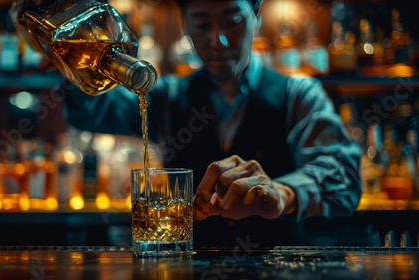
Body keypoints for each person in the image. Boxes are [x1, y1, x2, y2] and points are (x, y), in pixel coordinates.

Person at [60, 0, 362, 246]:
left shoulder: (298, 95)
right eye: (202, 24)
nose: (217, 40)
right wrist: (72, 63)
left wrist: (281, 194)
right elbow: (92, 113)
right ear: (185, 25)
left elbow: (345, 179)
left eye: (232, 21)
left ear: (255, 16)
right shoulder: (169, 96)